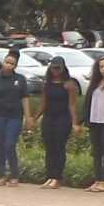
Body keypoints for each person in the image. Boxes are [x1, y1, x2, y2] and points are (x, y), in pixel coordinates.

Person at [0, 55, 29, 187]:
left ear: (15, 66)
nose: (9, 65)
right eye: (7, 62)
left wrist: (29, 117)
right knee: (0, 145)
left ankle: (14, 174)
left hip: (14, 117)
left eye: (12, 63)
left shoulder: (20, 79)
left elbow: (25, 98)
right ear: (2, 62)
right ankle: (2, 174)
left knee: (9, 144)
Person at [37, 56, 76, 188]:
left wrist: (75, 123)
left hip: (63, 118)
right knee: (49, 147)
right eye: (53, 68)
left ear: (63, 68)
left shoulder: (69, 84)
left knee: (59, 147)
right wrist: (34, 118)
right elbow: (43, 103)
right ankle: (50, 175)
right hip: (49, 117)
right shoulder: (47, 84)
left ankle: (57, 177)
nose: (56, 71)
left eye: (58, 68)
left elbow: (72, 105)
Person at [82, 54, 104, 190]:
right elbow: (87, 102)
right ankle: (97, 179)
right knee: (96, 151)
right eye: (101, 66)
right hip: (94, 121)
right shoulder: (95, 84)